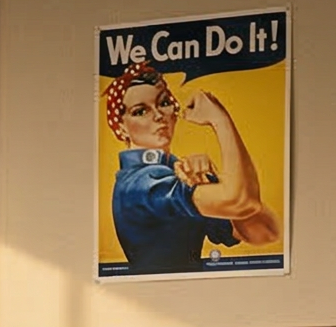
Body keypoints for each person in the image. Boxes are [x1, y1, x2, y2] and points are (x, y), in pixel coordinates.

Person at [105, 57, 281, 274]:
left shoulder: (173, 174)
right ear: (121, 127)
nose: (159, 116)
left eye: (164, 103)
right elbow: (241, 201)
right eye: (141, 111)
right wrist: (220, 121)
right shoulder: (141, 183)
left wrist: (212, 182)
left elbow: (264, 232)